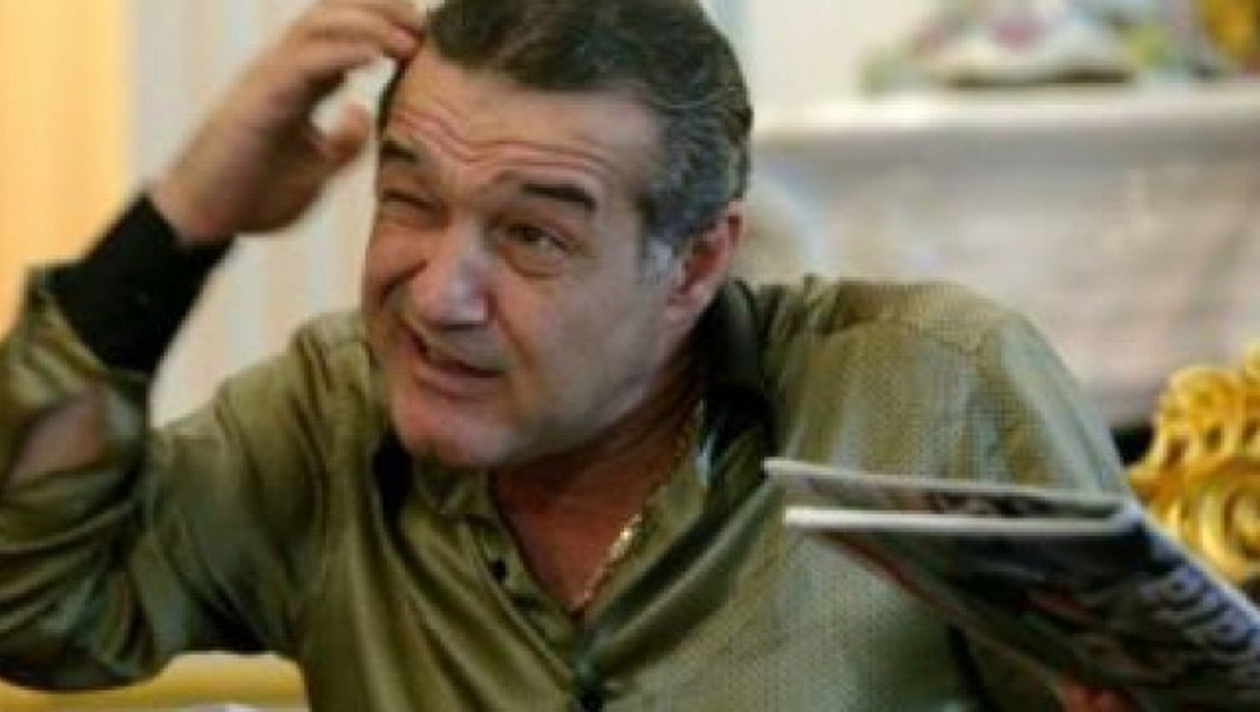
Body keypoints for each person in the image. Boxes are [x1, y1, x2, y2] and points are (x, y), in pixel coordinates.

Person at [0, 0, 1135, 709]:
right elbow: (35, 606)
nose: (438, 296)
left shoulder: (929, 390)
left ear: (695, 263)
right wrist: (184, 219)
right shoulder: (328, 419)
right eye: (410, 202)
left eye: (533, 236)